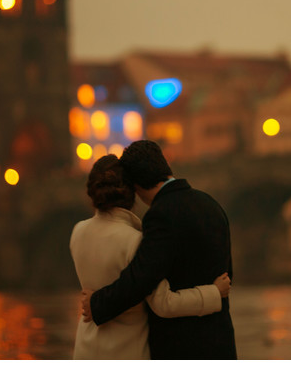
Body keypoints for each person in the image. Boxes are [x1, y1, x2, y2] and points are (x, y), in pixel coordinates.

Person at [81, 140, 237, 359]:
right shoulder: (211, 204)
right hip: (221, 344)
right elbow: (227, 275)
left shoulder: (161, 214)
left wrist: (97, 304)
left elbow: (141, 277)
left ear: (136, 186)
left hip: (181, 349)